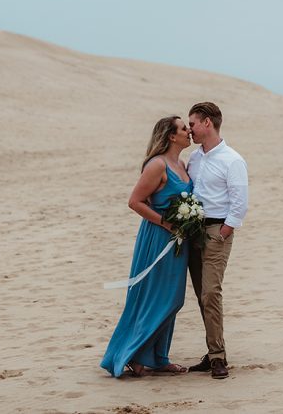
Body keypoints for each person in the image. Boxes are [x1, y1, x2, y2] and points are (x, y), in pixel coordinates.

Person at [100, 116, 194, 377]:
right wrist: (167, 224)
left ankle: (158, 357)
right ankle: (134, 354)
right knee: (155, 296)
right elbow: (135, 202)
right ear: (171, 136)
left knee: (172, 299)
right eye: (183, 128)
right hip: (157, 238)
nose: (189, 131)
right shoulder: (157, 165)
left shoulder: (182, 163)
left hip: (178, 241)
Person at [185, 102, 248, 379]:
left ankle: (218, 358)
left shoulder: (232, 159)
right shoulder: (195, 158)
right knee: (201, 295)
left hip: (216, 232)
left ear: (207, 123)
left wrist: (223, 233)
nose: (190, 130)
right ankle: (212, 353)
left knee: (211, 292)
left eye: (193, 124)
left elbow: (239, 203)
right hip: (192, 232)